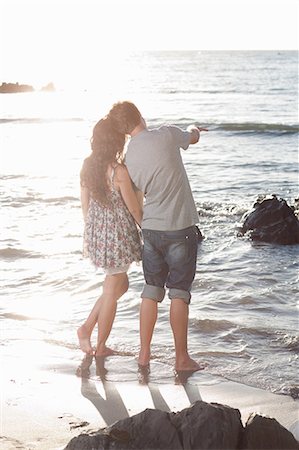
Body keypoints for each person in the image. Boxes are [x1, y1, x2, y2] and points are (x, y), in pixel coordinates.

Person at [108, 101, 207, 371]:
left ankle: (143, 354)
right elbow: (193, 138)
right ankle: (181, 359)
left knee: (150, 292)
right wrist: (193, 128)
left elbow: (136, 199)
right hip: (179, 228)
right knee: (179, 293)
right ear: (139, 115)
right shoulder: (167, 134)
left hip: (151, 230)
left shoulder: (127, 159)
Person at [77, 116, 143, 356]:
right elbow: (134, 208)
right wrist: (148, 229)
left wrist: (93, 229)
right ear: (115, 142)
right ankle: (100, 345)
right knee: (112, 291)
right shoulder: (119, 171)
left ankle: (86, 328)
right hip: (118, 237)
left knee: (119, 286)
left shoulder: (88, 165)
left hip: (98, 233)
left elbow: (85, 204)